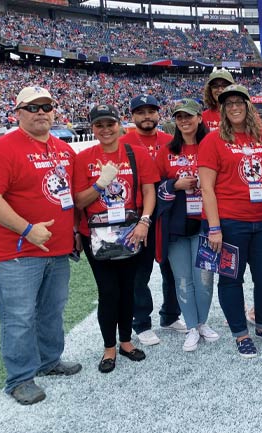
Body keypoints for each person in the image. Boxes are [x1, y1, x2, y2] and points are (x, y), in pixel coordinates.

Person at [0, 86, 82, 405]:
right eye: (32, 107)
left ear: (54, 111)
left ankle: (49, 361)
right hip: (18, 252)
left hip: (59, 249)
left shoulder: (64, 149)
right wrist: (27, 229)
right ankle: (20, 378)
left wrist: (76, 231)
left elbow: (71, 197)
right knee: (19, 316)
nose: (40, 112)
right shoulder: (2, 149)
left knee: (52, 310)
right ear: (18, 113)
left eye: (46, 106)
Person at [199, 85, 262, 358]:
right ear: (222, 109)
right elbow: (207, 188)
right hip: (230, 222)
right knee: (231, 279)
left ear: (249, 105)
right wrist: (214, 227)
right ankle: (240, 333)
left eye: (239, 102)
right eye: (228, 103)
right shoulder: (213, 140)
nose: (234, 107)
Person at [74, 104, 159, 373]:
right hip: (96, 237)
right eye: (99, 125)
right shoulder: (83, 157)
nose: (106, 129)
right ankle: (108, 347)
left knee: (128, 289)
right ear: (93, 128)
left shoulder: (136, 153)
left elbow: (148, 191)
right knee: (108, 291)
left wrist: (145, 221)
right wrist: (100, 183)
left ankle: (125, 342)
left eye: (109, 123)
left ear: (119, 124)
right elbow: (78, 201)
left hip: (130, 232)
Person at [153, 98, 219, 352]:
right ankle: (191, 325)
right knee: (182, 279)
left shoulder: (211, 145)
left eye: (189, 116)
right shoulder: (167, 151)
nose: (184, 121)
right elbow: (153, 188)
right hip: (176, 226)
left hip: (205, 223)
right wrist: (173, 185)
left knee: (204, 278)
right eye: (179, 117)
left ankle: (202, 322)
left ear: (199, 118)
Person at [120, 94, 186, 346]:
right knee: (140, 273)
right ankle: (141, 322)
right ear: (132, 116)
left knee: (173, 270)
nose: (147, 116)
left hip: (170, 214)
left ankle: (170, 315)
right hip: (139, 216)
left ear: (159, 114)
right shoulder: (123, 142)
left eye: (151, 111)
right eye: (141, 112)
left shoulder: (171, 141)